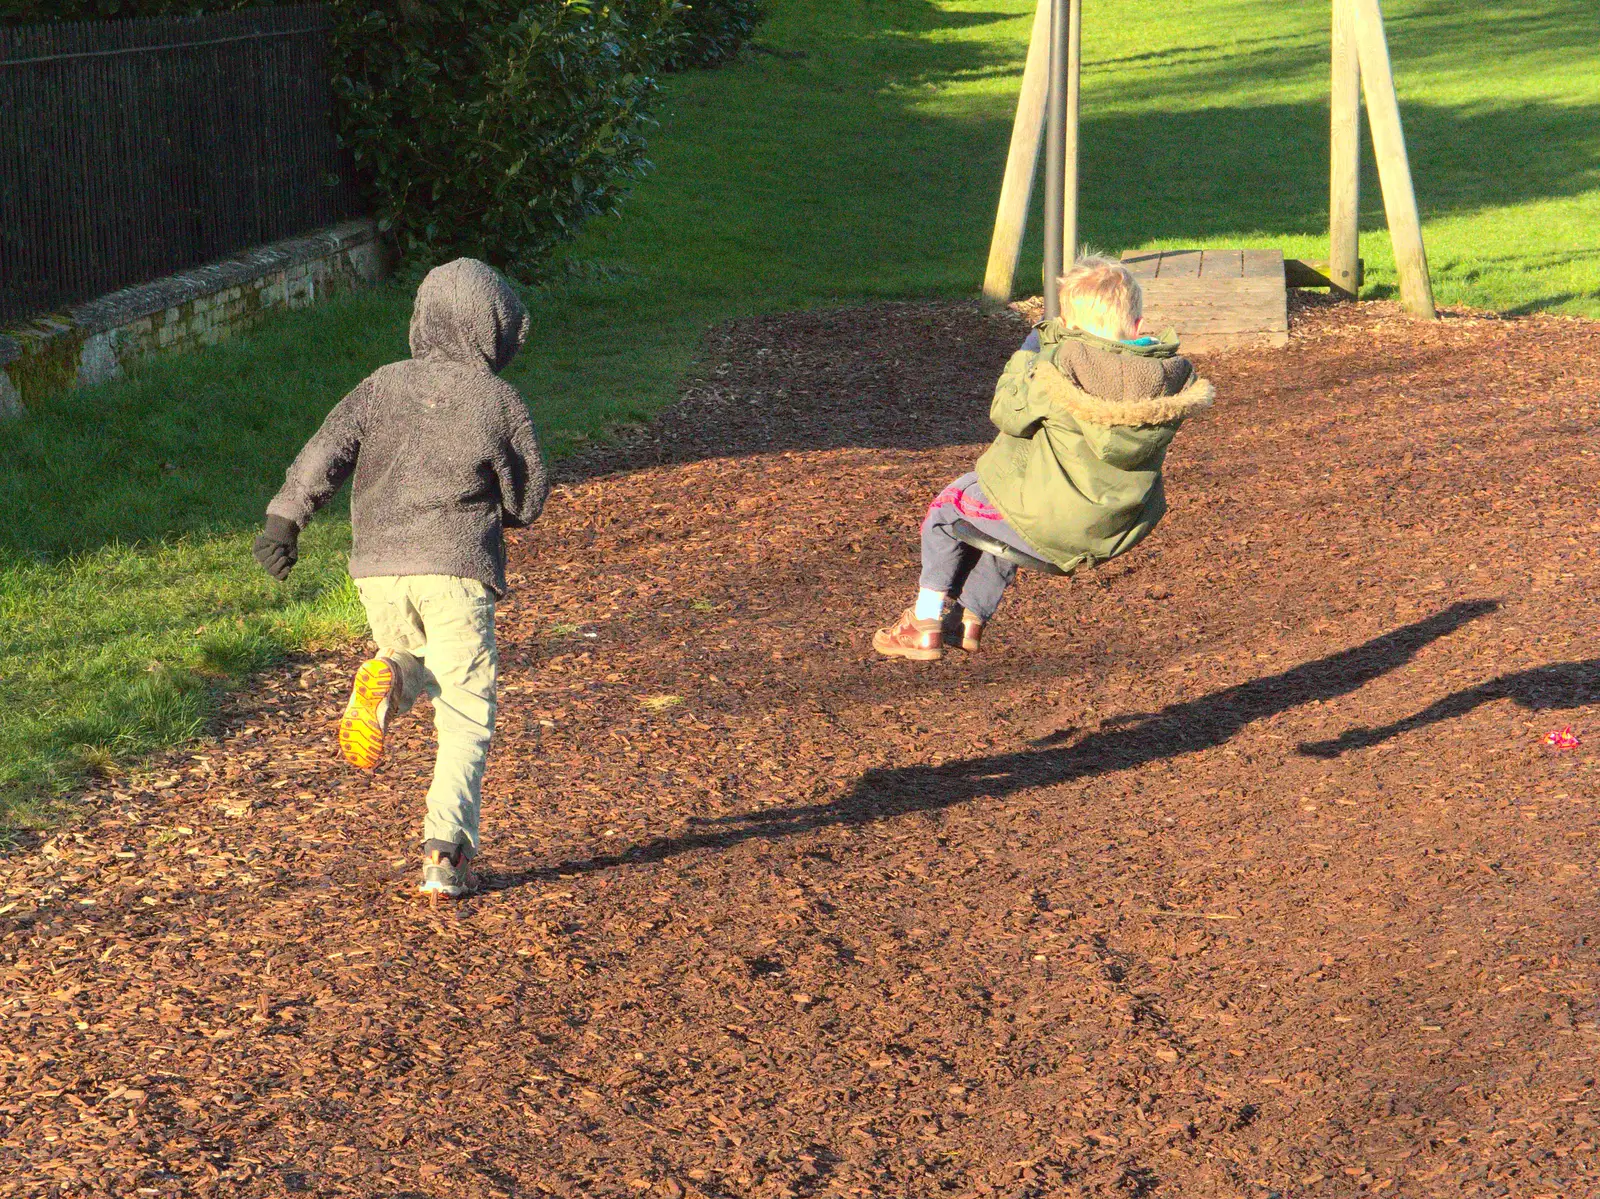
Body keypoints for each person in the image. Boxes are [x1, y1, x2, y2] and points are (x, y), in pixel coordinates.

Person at [251, 258, 548, 900]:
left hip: (379, 571)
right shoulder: (497, 400)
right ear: (495, 328)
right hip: (457, 567)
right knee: (466, 710)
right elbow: (527, 501)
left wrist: (284, 521)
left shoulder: (380, 385)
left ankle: (386, 682)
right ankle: (446, 851)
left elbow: (324, 450)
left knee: (413, 656)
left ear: (423, 318)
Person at [873, 255, 1214, 661]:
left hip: (1052, 518)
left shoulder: (1061, 368)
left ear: (1068, 326)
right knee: (1010, 517)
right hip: (1113, 529)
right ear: (1138, 326)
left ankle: (923, 624)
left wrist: (1028, 353)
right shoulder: (1164, 380)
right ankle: (968, 618)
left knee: (947, 510)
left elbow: (1006, 414)